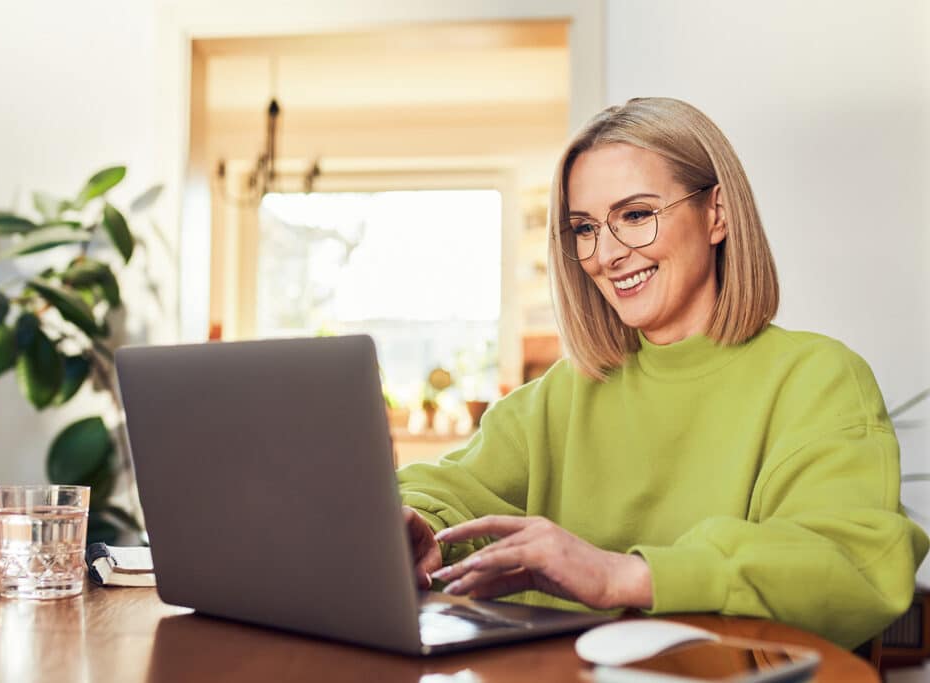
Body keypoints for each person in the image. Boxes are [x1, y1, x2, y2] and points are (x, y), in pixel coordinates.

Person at [397, 97, 928, 650]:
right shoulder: (559, 395)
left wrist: (624, 575)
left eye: (635, 215)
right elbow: (441, 488)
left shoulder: (818, 380)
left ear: (717, 214)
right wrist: (416, 524)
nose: (606, 254)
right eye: (585, 228)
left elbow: (851, 564)